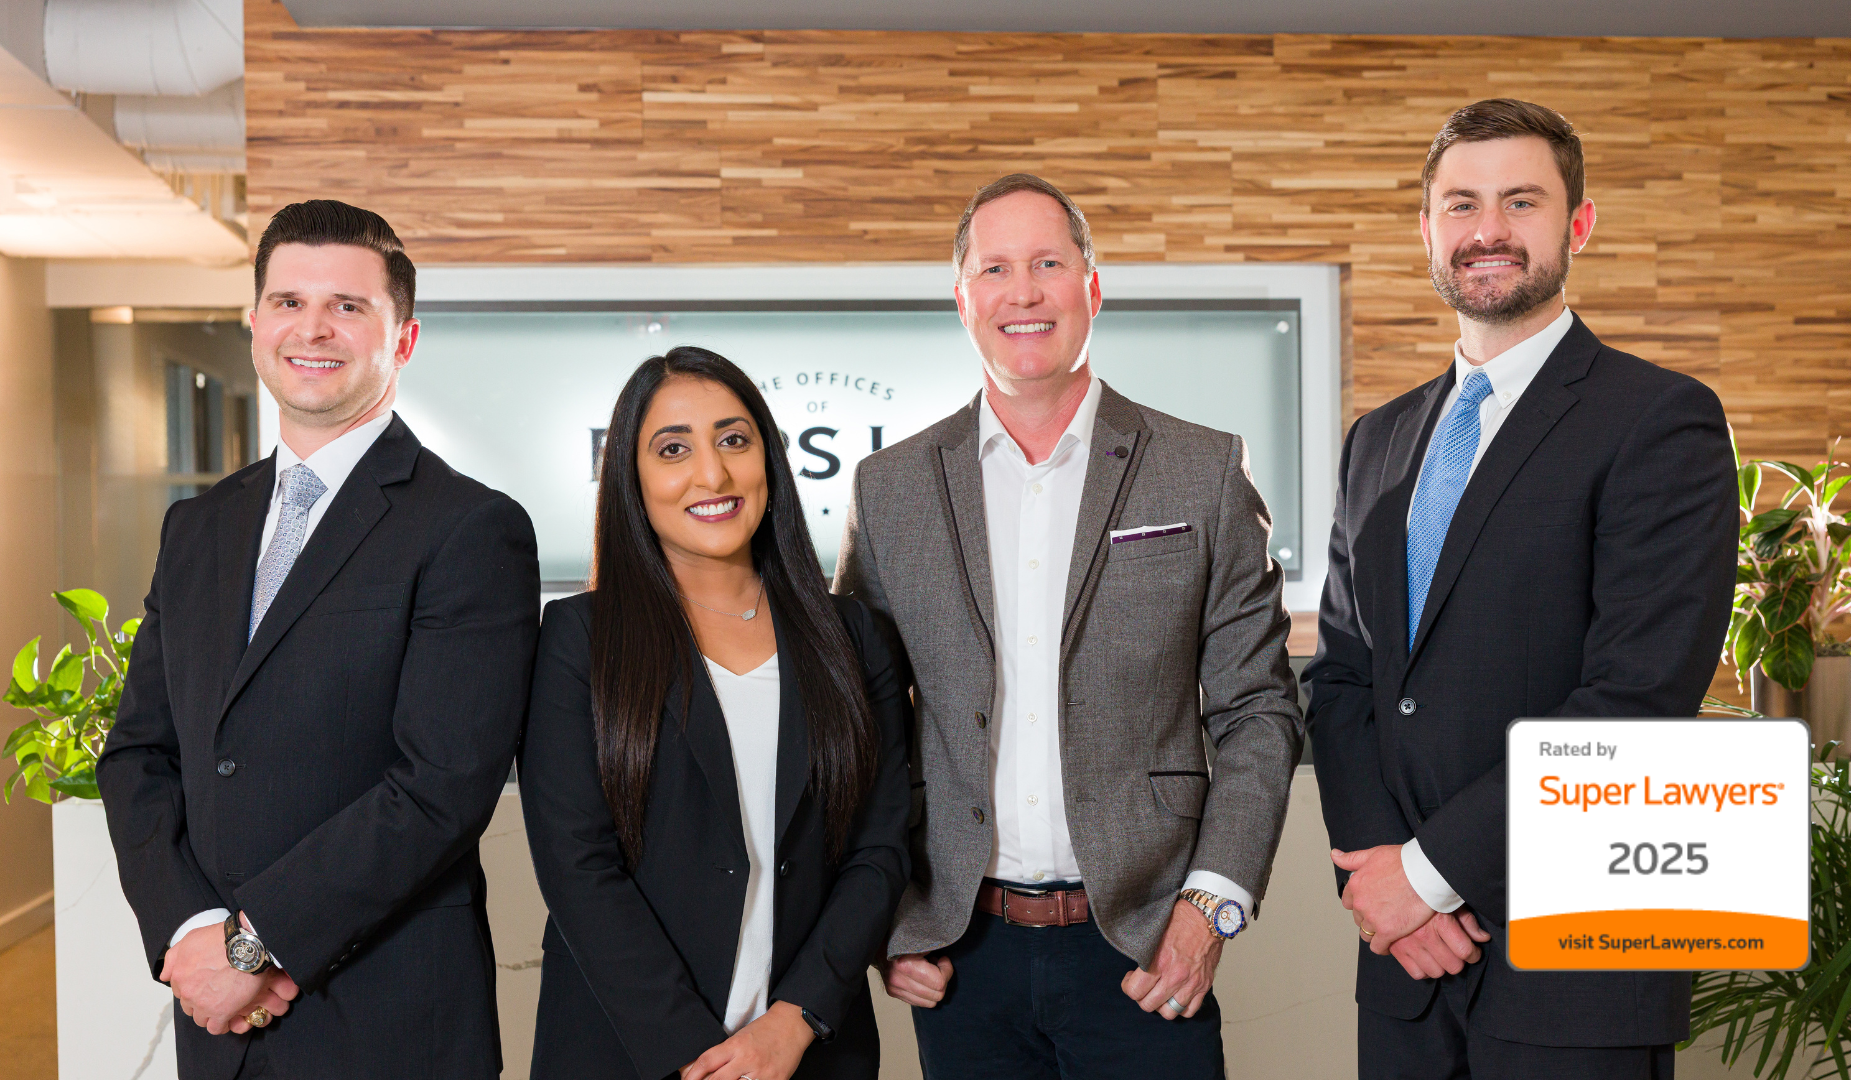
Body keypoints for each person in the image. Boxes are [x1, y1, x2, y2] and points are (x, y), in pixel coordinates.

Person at [1305, 98, 1739, 1080]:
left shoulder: (1660, 421)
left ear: (1576, 225)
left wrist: (1422, 877)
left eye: (1520, 201)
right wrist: (1385, 882)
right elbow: (1343, 683)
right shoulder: (1377, 440)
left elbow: (1634, 703)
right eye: (1460, 204)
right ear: (1427, 229)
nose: (1486, 230)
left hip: (1573, 972)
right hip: (1407, 975)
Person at [833, 173, 1302, 1078]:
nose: (1024, 291)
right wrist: (888, 913)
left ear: (1092, 284)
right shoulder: (888, 490)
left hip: (1146, 942)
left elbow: (1258, 711)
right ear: (962, 298)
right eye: (996, 268)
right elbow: (859, 722)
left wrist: (1211, 909)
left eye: (1048, 263)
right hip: (962, 956)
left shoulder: (1200, 471)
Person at [97, 200, 541, 1078]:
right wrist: (192, 934)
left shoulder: (470, 528)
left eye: (348, 306)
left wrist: (253, 951)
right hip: (220, 1026)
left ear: (402, 339)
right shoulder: (197, 526)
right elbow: (140, 754)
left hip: (382, 1018)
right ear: (256, 322)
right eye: (289, 301)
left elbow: (438, 790)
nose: (314, 328)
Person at [518, 346, 910, 1080]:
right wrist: (693, 1056)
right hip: (627, 1052)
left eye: (734, 439)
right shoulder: (579, 640)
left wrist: (792, 1025)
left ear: (768, 456)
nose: (712, 474)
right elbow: (578, 867)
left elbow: (878, 853)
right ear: (632, 478)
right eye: (673, 449)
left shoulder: (853, 639)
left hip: (810, 1053)